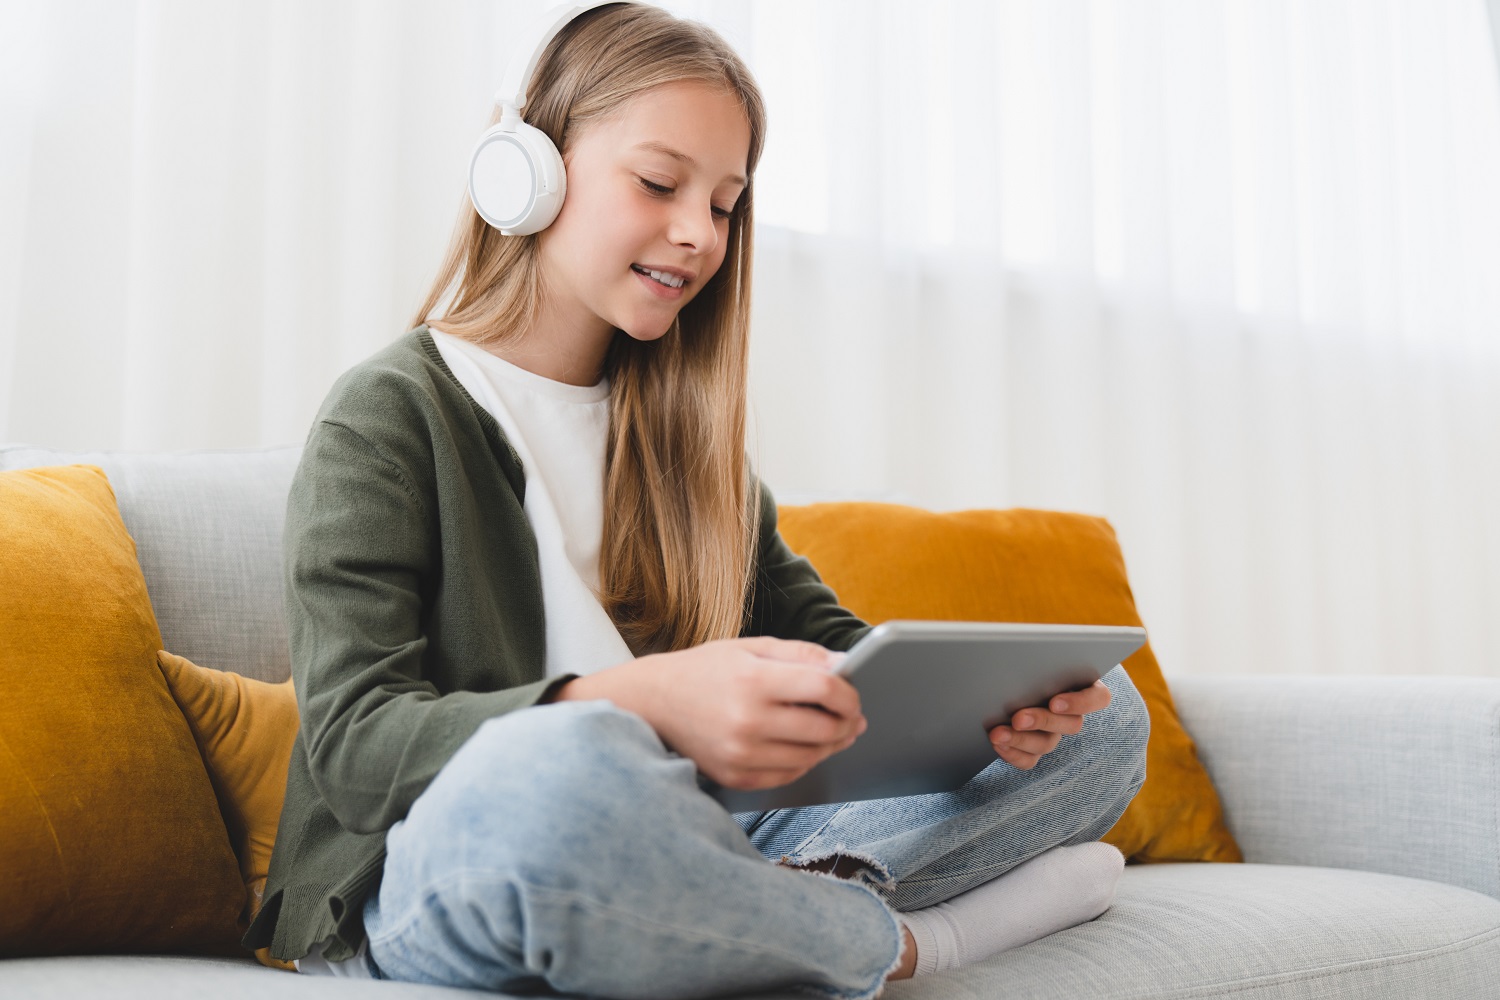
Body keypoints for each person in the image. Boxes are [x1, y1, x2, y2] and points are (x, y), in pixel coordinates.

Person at [242, 3, 1151, 998]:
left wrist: (968, 714)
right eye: (660, 182)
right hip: (445, 861)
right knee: (569, 770)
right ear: (531, 168)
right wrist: (644, 697)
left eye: (724, 203)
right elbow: (355, 748)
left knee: (1110, 721)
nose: (697, 234)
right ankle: (904, 942)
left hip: (696, 825)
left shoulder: (687, 447)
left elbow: (834, 651)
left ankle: (732, 908)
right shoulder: (388, 415)